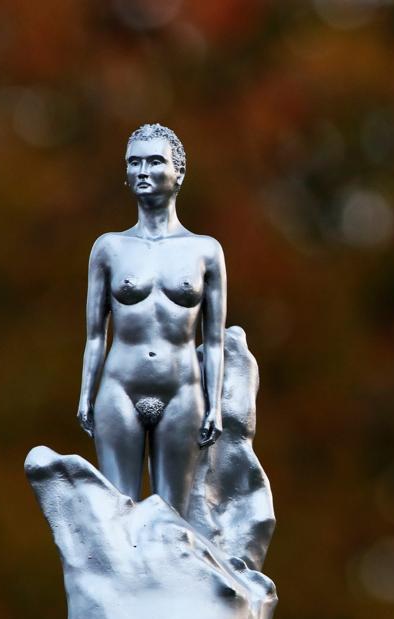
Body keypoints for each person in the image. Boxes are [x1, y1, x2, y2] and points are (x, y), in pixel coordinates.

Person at [76, 123, 226, 531]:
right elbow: (94, 334)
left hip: (182, 390)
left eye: (154, 161)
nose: (142, 170)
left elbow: (212, 341)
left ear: (178, 172)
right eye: (134, 162)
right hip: (120, 386)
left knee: (173, 524)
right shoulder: (109, 248)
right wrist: (86, 393)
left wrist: (215, 403)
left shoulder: (204, 251)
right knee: (117, 519)